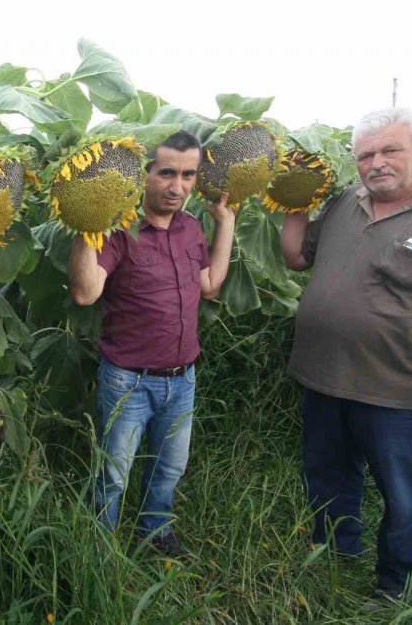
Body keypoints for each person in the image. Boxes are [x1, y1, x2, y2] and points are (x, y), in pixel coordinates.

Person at [280, 107, 412, 603]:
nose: (376, 163)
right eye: (365, 155)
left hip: (406, 393)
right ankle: (333, 561)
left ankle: (404, 595)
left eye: (391, 150)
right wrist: (291, 200)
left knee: (408, 500)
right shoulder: (348, 200)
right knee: (327, 479)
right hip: (325, 380)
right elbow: (300, 256)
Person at [67, 131, 236, 556]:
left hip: (182, 379)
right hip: (128, 380)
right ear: (145, 174)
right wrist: (89, 223)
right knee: (114, 471)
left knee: (169, 468)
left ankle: (154, 532)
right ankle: (98, 547)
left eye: (188, 175)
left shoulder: (191, 228)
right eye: (166, 173)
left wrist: (226, 222)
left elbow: (211, 285)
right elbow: (86, 293)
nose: (177, 186)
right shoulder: (119, 230)